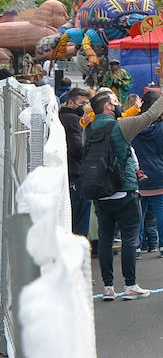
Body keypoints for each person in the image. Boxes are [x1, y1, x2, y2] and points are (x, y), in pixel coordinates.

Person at [89, 78, 163, 301]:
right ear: (108, 107)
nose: (118, 103)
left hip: (100, 191)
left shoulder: (89, 129)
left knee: (106, 238)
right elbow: (150, 115)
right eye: (113, 101)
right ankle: (130, 284)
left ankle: (108, 288)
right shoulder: (122, 127)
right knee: (130, 238)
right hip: (124, 190)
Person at [131, 86, 163, 258]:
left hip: (139, 174)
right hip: (161, 174)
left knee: (139, 213)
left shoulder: (134, 125)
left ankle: (136, 246)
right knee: (161, 211)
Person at [61, 87, 92, 243]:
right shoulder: (73, 121)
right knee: (80, 218)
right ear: (71, 102)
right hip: (77, 173)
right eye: (82, 103)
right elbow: (77, 147)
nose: (85, 106)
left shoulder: (60, 117)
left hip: (68, 172)